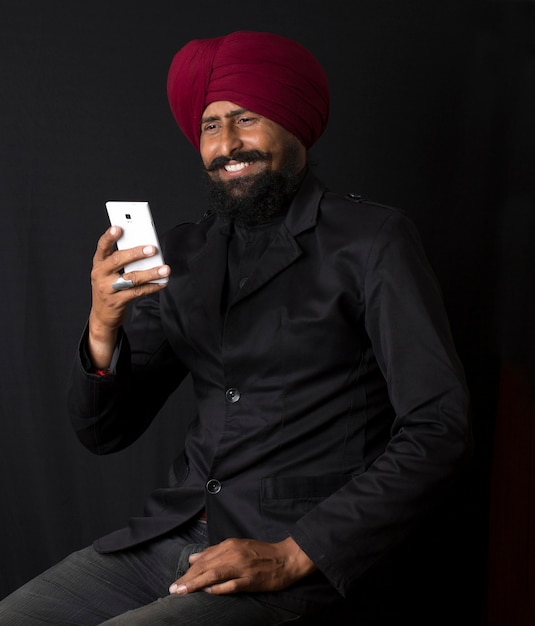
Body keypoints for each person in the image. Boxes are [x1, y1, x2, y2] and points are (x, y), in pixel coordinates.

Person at [0, 30, 472, 625]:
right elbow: (105, 432)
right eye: (210, 126)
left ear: (293, 124)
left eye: (246, 119)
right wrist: (102, 326)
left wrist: (297, 553)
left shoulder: (373, 240)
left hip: (287, 556)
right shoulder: (185, 250)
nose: (227, 144)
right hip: (167, 539)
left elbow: (439, 427)